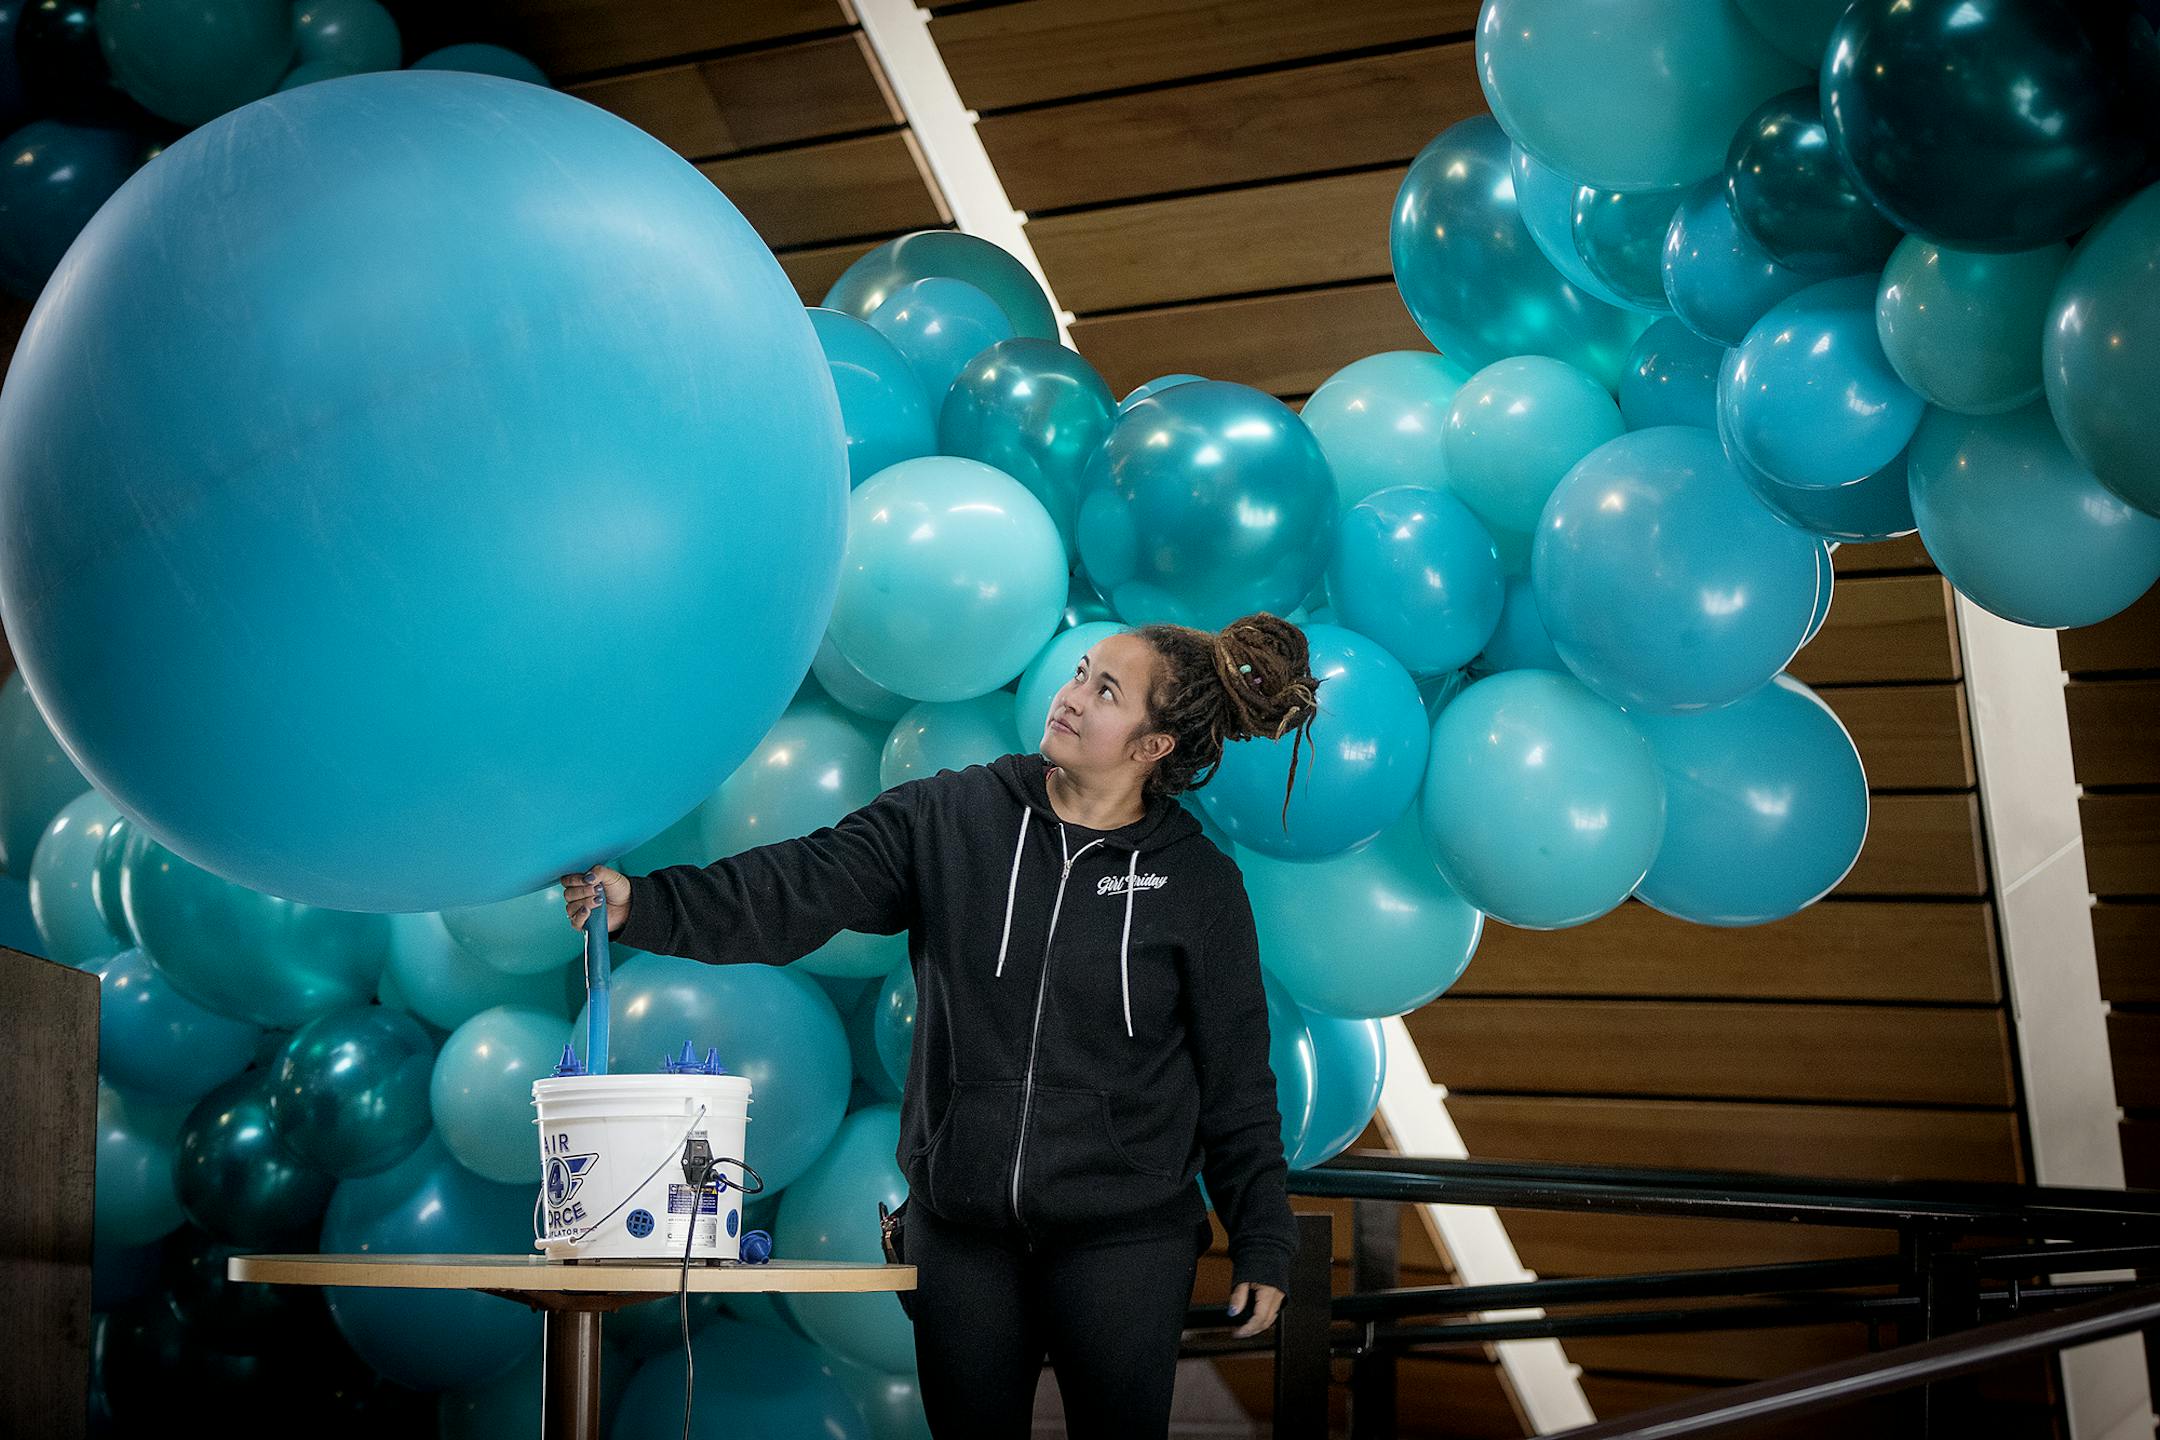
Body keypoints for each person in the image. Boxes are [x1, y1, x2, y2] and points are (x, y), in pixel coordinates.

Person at [560, 612, 1322, 1438]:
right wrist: (650, 904)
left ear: (1154, 747)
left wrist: (1263, 1239)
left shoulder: (1197, 885)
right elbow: (801, 885)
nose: (1070, 697)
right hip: (961, 1237)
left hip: (1125, 1241)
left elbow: (1238, 1078)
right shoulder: (955, 818)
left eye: (1106, 691)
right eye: (1078, 672)